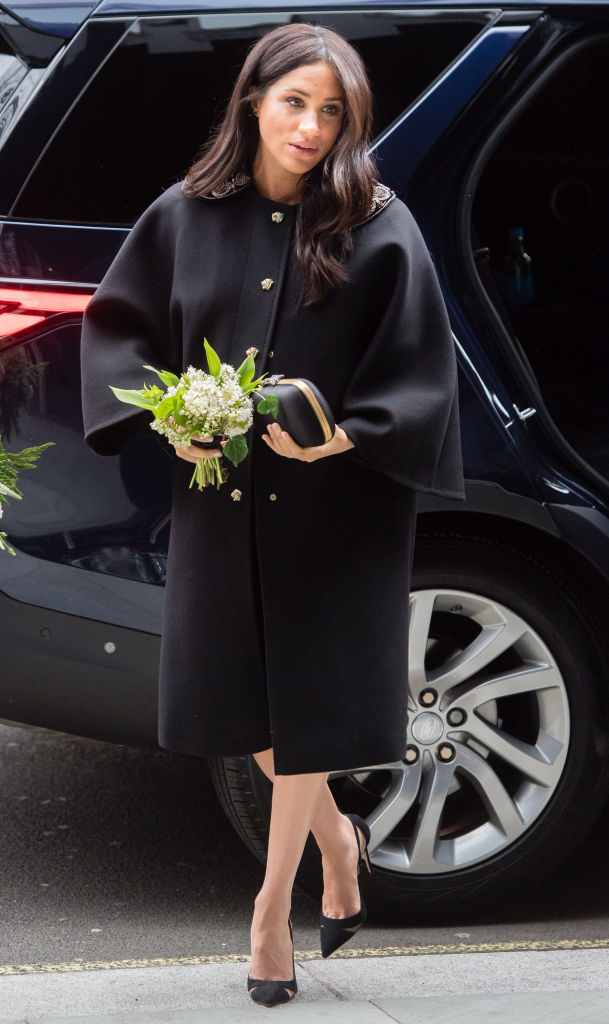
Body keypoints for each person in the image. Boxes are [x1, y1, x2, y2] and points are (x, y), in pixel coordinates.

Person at [80, 22, 464, 1008]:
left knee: (305, 702)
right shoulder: (183, 214)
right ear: (253, 100)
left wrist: (343, 437)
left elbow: (422, 368)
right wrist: (174, 422)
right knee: (237, 695)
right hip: (224, 507)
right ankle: (339, 839)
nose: (311, 127)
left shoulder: (378, 223)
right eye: (294, 103)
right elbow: (120, 334)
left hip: (339, 514)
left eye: (332, 111)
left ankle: (268, 913)